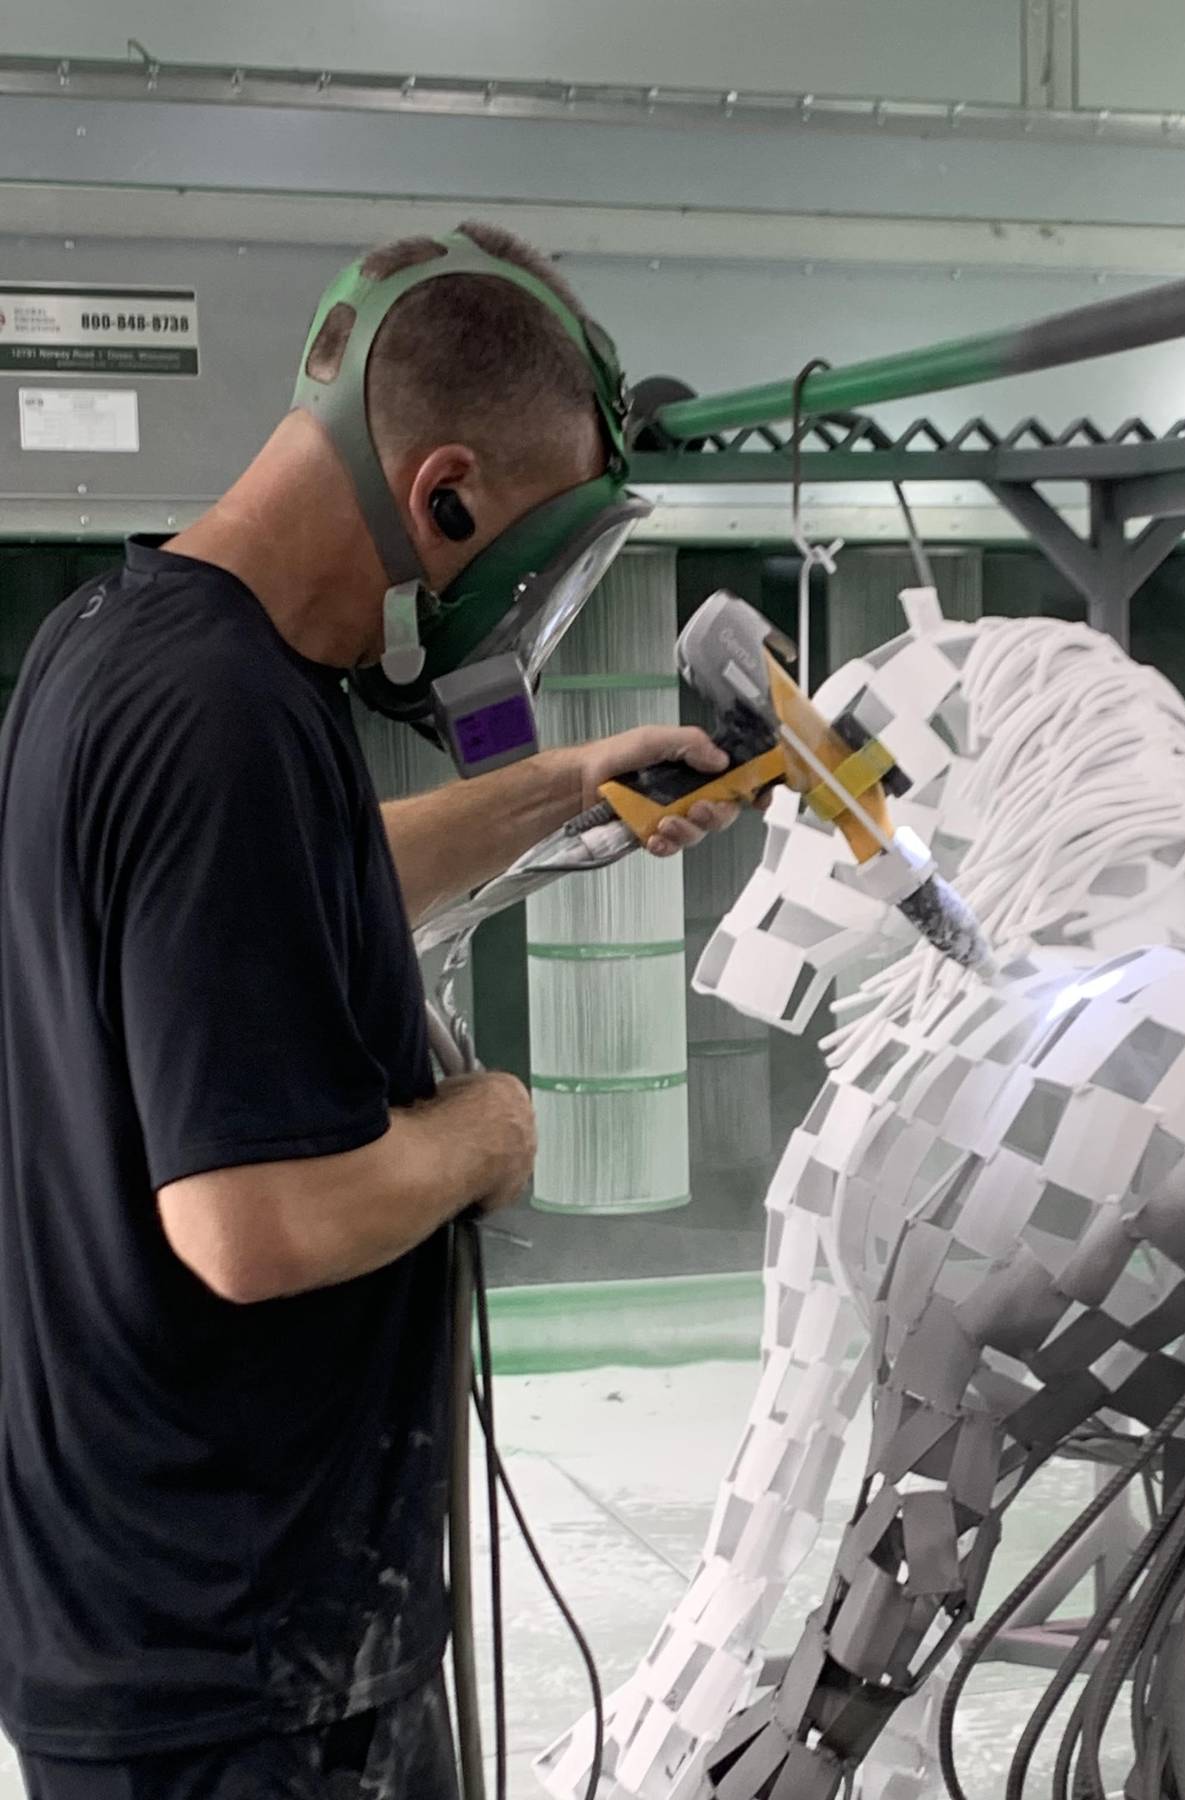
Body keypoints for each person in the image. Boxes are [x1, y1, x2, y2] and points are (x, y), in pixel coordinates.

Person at [0, 222, 737, 1799]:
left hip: (155, 1618)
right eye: (523, 559)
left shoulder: (124, 651)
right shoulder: (228, 723)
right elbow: (246, 1226)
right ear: (443, 493)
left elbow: (273, 902)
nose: (512, 604)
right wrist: (486, 1133)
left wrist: (554, 790)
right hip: (247, 1671)